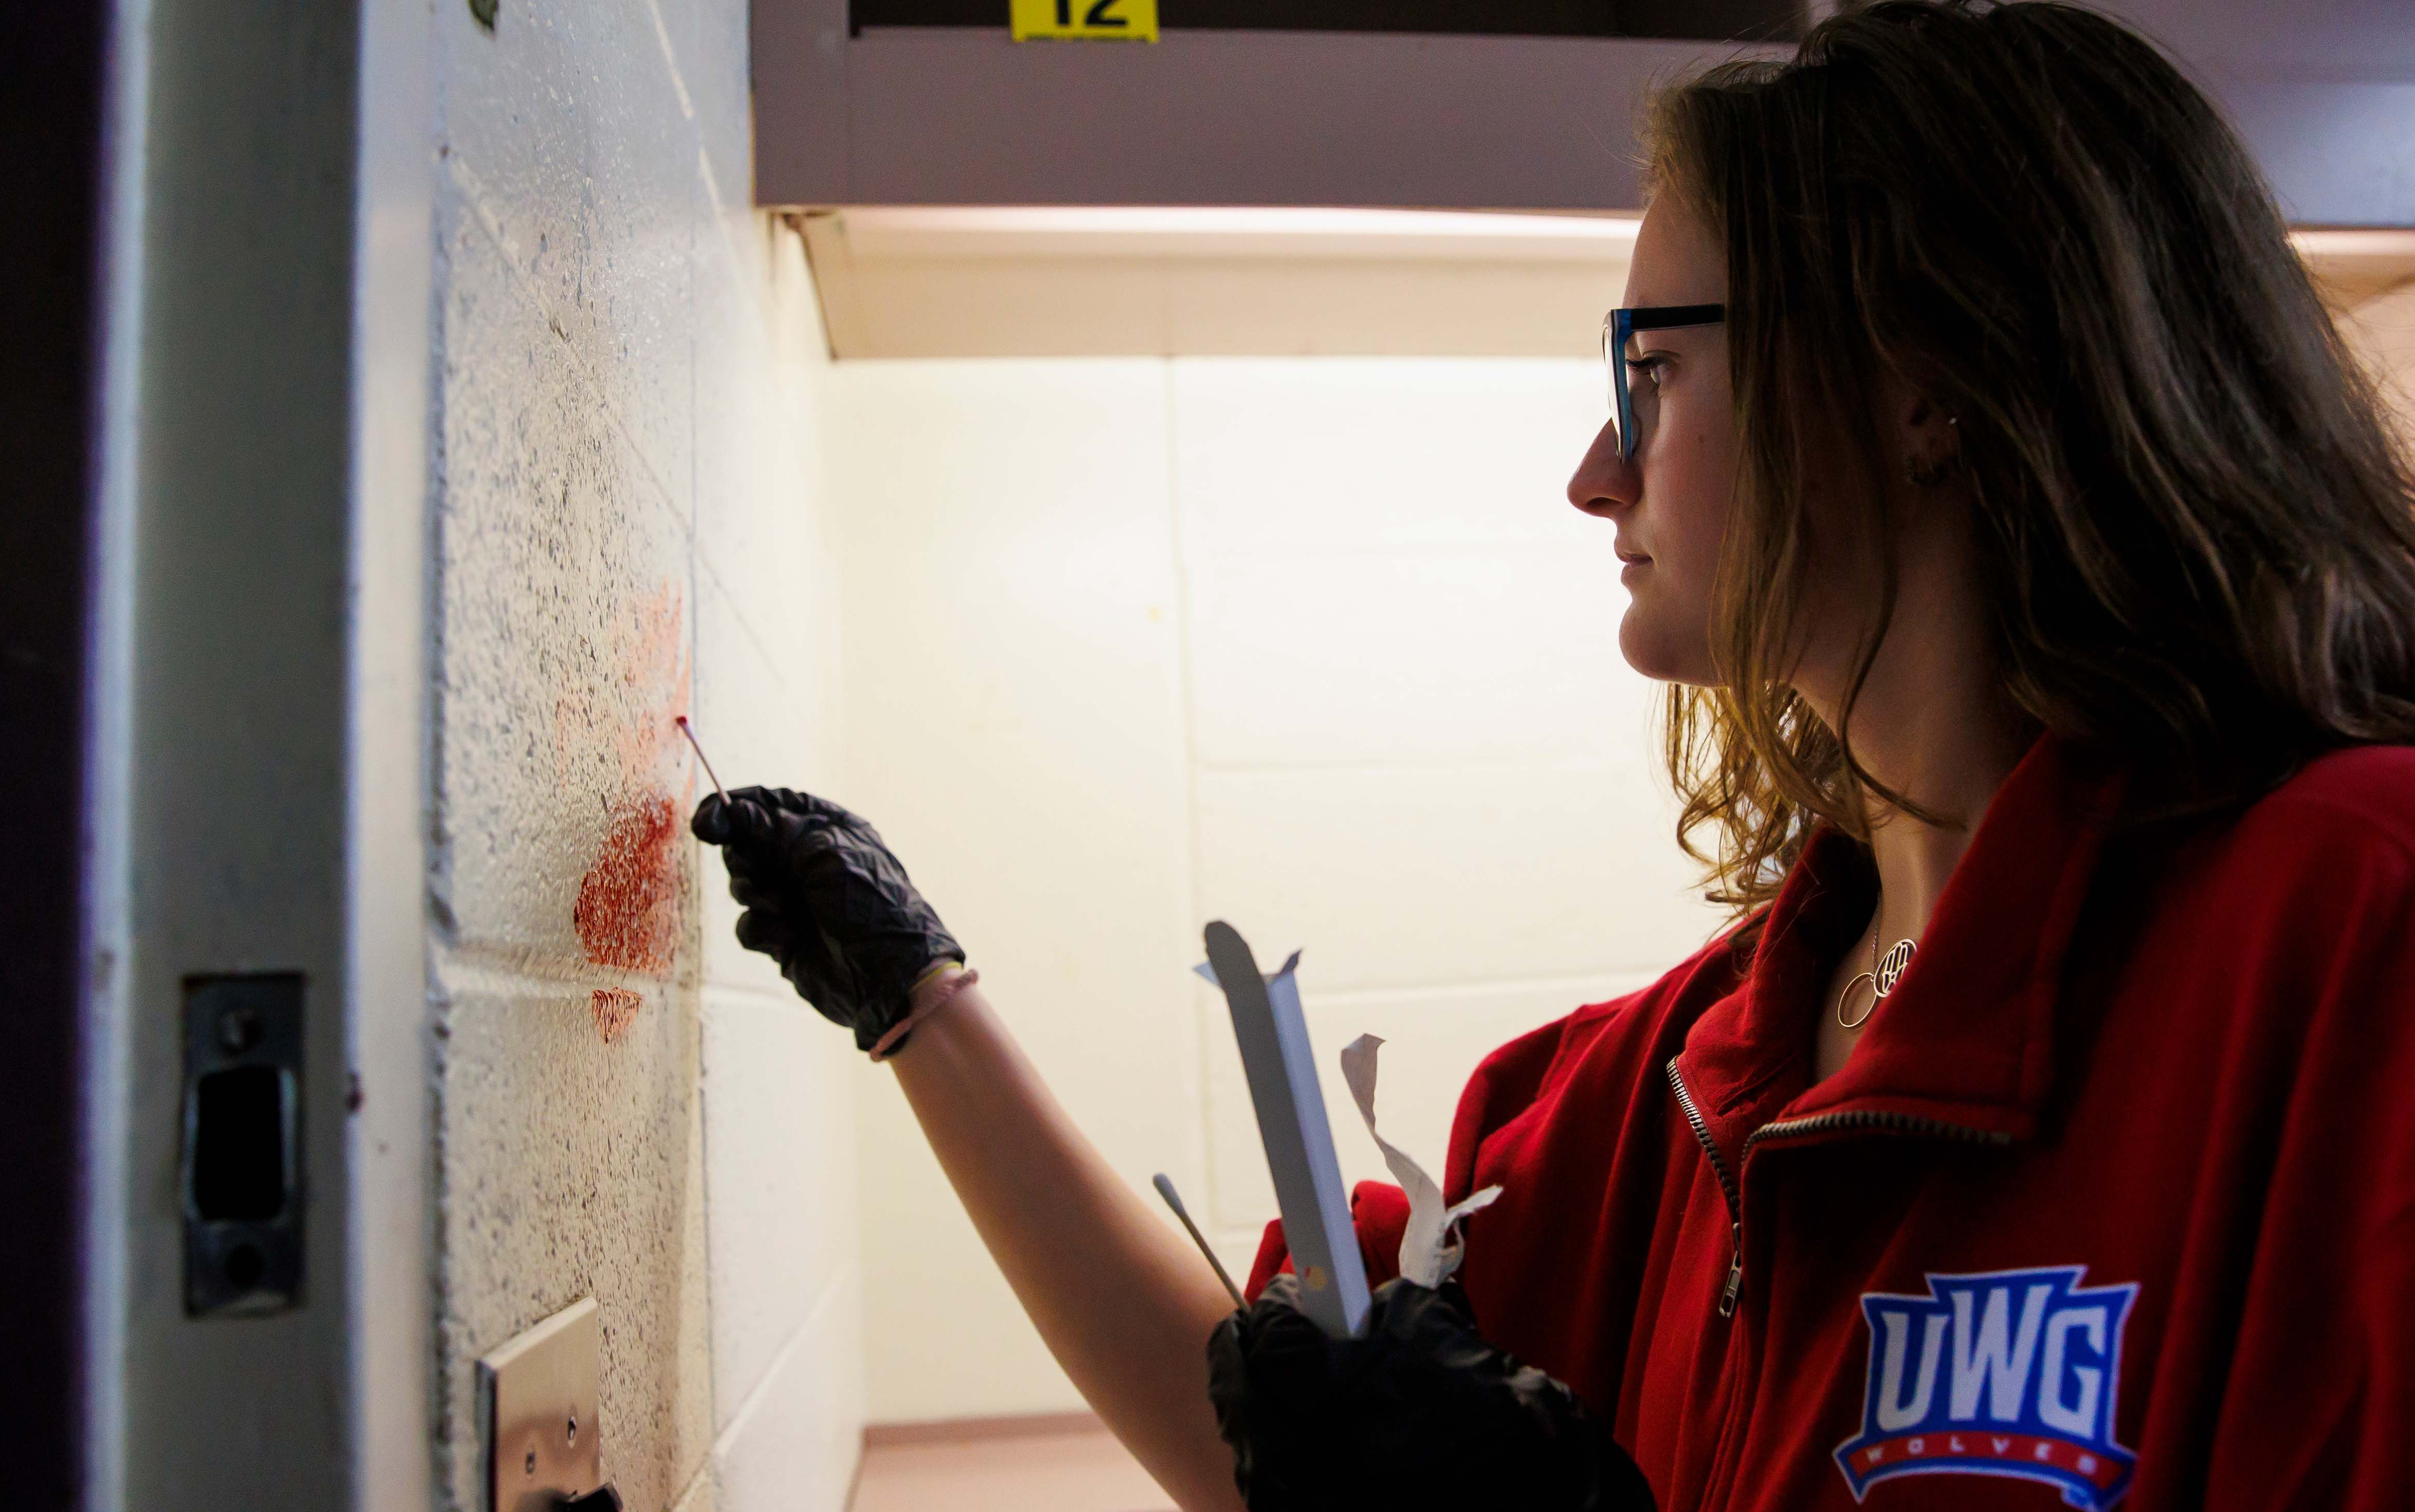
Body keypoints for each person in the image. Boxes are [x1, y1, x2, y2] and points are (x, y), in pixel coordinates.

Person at [692, 2, 2415, 1506]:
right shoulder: (1663, 1083)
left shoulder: (2349, 927)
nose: (1596, 469)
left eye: (1651, 368)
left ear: (1923, 376)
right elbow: (1273, 1435)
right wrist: (921, 1002)